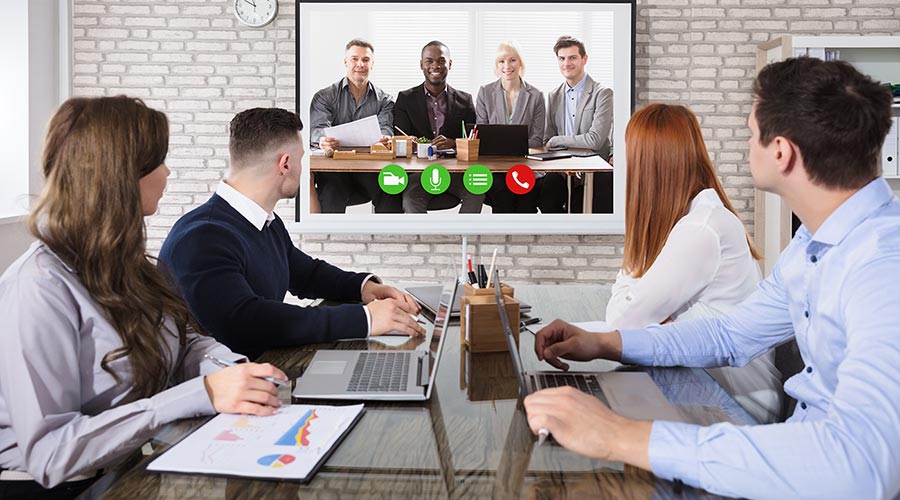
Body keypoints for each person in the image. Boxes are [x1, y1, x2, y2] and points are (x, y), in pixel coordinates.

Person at [524, 58, 900, 499]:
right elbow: (730, 335)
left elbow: (862, 466)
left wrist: (620, 435)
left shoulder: (882, 267)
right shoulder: (813, 246)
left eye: (749, 131)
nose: (744, 143)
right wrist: (605, 343)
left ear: (781, 152)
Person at [0, 96, 287, 497]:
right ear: (119, 175)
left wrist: (230, 369)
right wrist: (197, 395)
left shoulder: (127, 262)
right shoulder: (37, 287)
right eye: (158, 162)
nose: (168, 172)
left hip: (135, 465)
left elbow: (185, 343)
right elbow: (51, 453)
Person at [159, 107, 423, 360]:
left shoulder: (263, 223)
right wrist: (364, 319)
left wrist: (365, 288)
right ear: (285, 164)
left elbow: (306, 275)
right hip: (219, 396)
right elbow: (248, 320)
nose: (302, 168)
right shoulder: (203, 237)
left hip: (260, 377)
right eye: (301, 160)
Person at [604, 103, 782, 424]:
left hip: (735, 400)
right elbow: (637, 317)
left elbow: (621, 321)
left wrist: (653, 314)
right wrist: (659, 317)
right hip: (710, 384)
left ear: (649, 165)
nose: (622, 165)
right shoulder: (693, 217)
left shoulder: (700, 230)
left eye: (628, 156)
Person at [308, 39, 401, 213]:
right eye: (354, 59)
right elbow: (317, 129)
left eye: (365, 60)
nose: (360, 64)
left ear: (372, 64)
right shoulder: (325, 96)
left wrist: (386, 138)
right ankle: (329, 239)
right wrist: (323, 139)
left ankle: (388, 238)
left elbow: (385, 128)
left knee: (391, 188)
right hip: (335, 168)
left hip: (370, 166)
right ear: (345, 62)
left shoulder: (385, 100)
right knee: (331, 191)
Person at [395, 41, 483, 213]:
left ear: (450, 64)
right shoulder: (405, 98)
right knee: (411, 200)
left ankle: (463, 238)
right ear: (421, 65)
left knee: (477, 191)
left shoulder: (465, 100)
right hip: (419, 172)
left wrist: (453, 143)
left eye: (441, 61)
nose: (435, 65)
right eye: (429, 61)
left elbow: (472, 141)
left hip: (455, 172)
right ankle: (424, 240)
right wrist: (411, 143)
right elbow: (399, 137)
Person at [542, 36, 614, 214]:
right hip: (561, 169)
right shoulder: (553, 96)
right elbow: (546, 139)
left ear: (584, 59)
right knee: (545, 196)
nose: (567, 63)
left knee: (585, 206)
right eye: (562, 58)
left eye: (572, 57)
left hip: (594, 169)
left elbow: (595, 140)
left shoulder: (602, 93)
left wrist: (558, 140)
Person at [475, 41, 546, 213]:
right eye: (502, 61)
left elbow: (537, 139)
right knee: (501, 192)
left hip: (526, 165)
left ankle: (525, 240)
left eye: (512, 60)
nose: (507, 66)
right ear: (496, 66)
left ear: (520, 63)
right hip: (496, 166)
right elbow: (481, 134)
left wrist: (504, 145)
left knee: (526, 200)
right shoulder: (485, 92)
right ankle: (502, 239)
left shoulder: (536, 96)